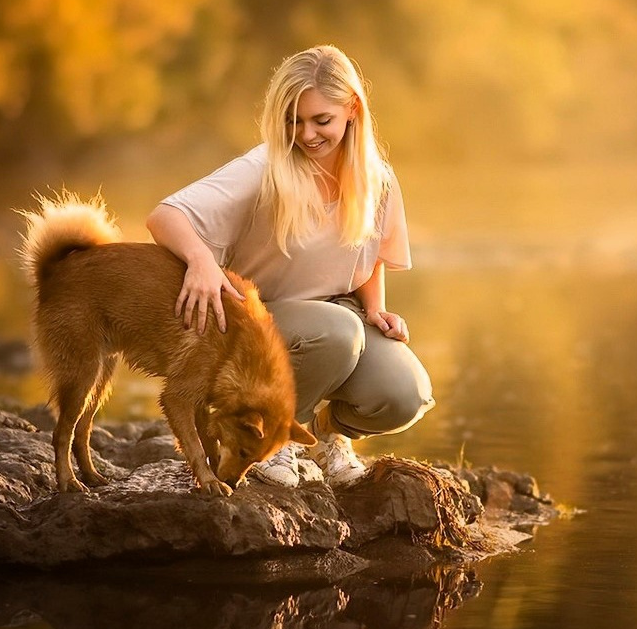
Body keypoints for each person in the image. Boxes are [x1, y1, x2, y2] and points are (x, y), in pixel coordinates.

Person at [146, 44, 433, 486]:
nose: (307, 135)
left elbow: (370, 254)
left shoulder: (377, 178)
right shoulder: (264, 167)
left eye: (322, 120)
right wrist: (201, 261)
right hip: (256, 323)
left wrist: (375, 308)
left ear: (352, 109)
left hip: (340, 320)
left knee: (404, 395)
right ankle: (272, 445)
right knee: (338, 331)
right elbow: (166, 215)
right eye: (293, 120)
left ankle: (319, 438)